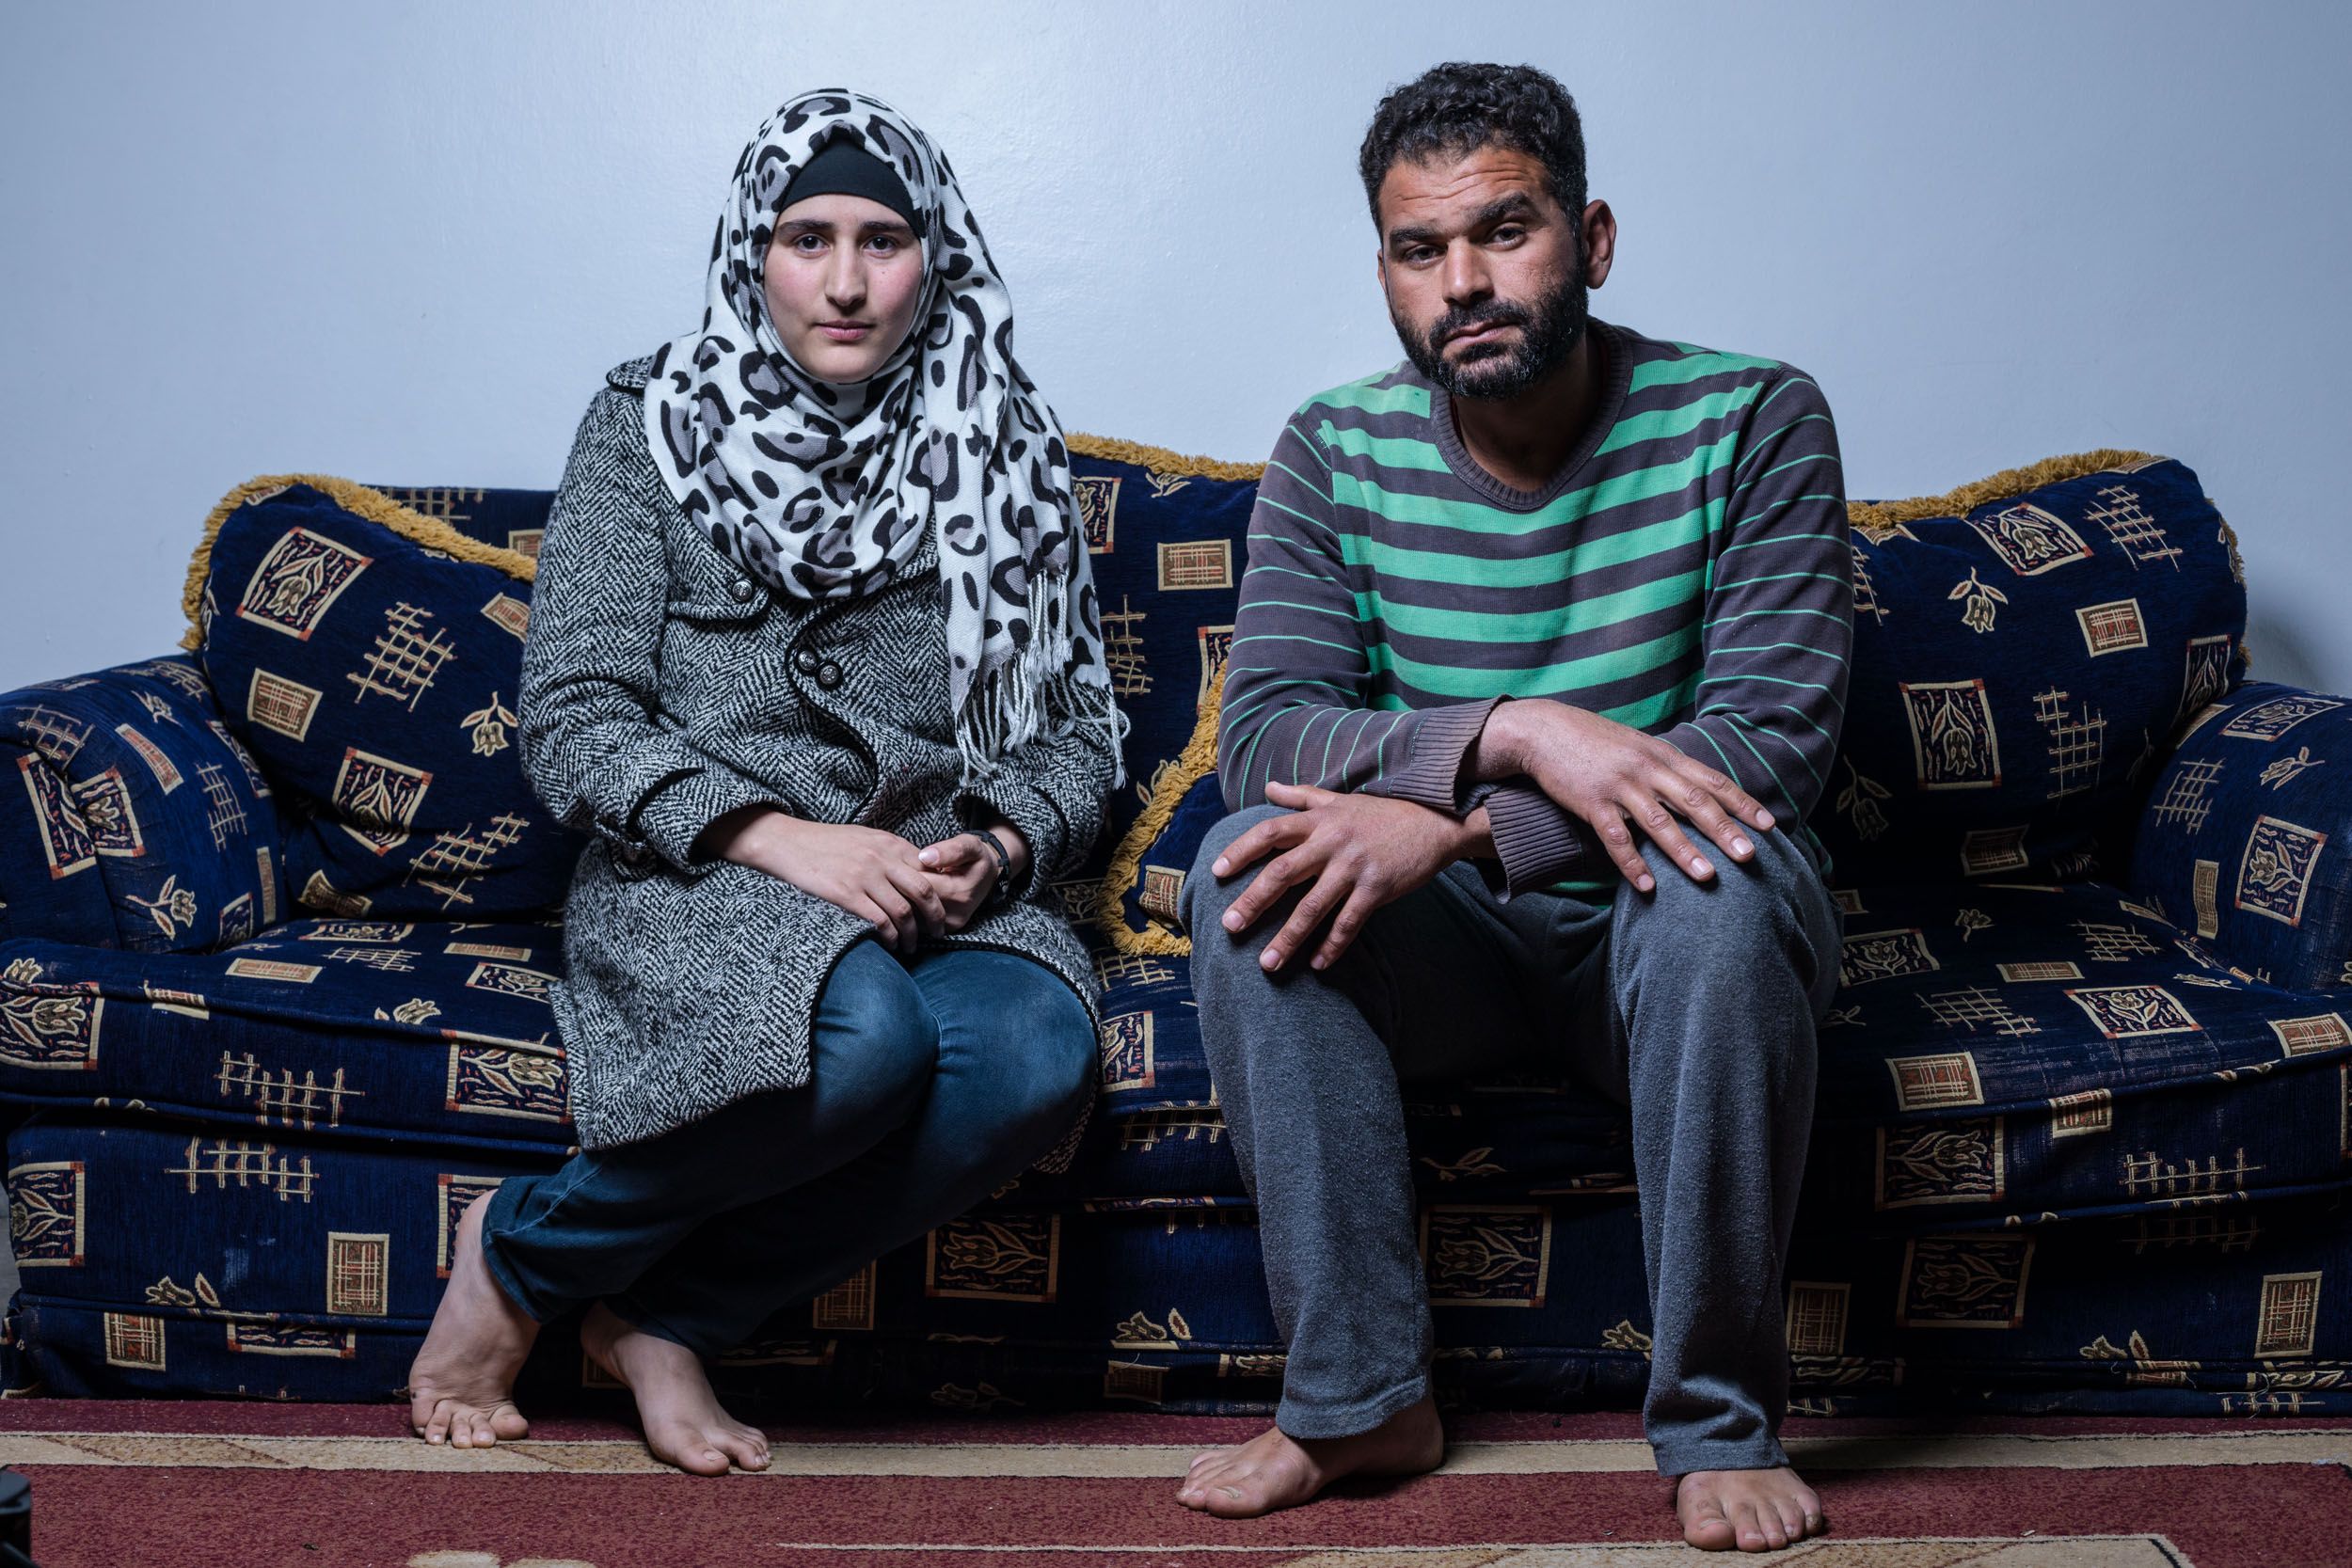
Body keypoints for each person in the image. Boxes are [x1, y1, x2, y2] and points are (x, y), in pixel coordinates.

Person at [1176, 63, 1849, 1554]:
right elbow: (1267, 735)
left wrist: (1458, 821)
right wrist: (1525, 734)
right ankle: (1358, 1402)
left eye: (1505, 231)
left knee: (1722, 879)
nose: (1464, 282)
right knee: (1247, 865)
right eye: (1421, 251)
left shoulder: (1752, 418)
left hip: (1674, 938)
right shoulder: (1334, 448)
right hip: (1458, 955)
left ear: (1592, 239)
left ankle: (1719, 1422)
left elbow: (1770, 742)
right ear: (1386, 272)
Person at [404, 88, 1123, 1476]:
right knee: (862, 1047)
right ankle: (516, 1261)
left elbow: (1077, 734)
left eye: (882, 239)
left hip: (934, 888)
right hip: (706, 877)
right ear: (753, 252)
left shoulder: (1003, 439)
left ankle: (667, 1316)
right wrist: (782, 840)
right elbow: (571, 714)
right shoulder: (644, 423)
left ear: (939, 254)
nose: (847, 281)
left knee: (1037, 1054)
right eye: (808, 238)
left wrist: (998, 840)